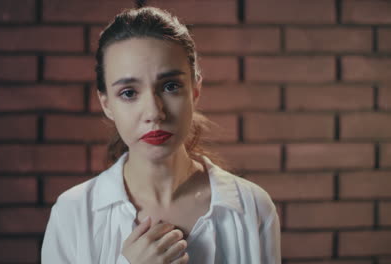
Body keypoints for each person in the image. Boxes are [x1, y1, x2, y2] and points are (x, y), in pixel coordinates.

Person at [41, 6, 281, 264]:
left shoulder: (252, 206)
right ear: (106, 104)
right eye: (129, 93)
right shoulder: (73, 212)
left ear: (195, 91)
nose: (154, 112)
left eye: (170, 86)